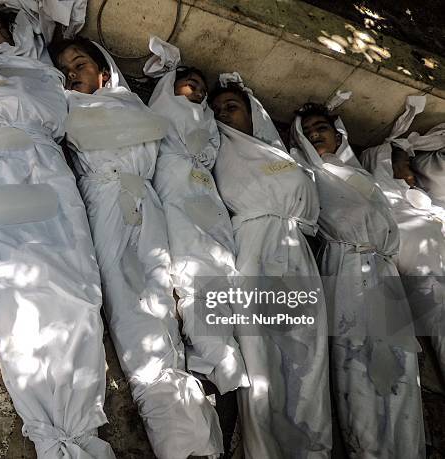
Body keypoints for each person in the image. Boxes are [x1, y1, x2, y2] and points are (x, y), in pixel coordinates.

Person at [0, 7, 114, 458]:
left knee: (75, 283)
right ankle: (48, 422)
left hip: (47, 173)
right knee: (16, 287)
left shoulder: (42, 72)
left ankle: (79, 423)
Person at [52, 36, 227, 458]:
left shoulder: (133, 106)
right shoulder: (66, 106)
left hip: (145, 201)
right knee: (131, 308)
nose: (72, 75)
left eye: (80, 65)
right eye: (65, 71)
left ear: (104, 71)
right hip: (107, 199)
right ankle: (176, 439)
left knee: (162, 300)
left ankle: (194, 419)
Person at [291, 102, 425, 458]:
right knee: (357, 365)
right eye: (309, 131)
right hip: (345, 263)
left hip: (383, 269)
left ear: (339, 135)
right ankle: (367, 449)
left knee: (399, 366)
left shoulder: (361, 175)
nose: (317, 134)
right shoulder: (307, 169)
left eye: (322, 127)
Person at [209, 72, 332, 458]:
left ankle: (313, 449)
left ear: (253, 113)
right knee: (261, 356)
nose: (225, 116)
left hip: (295, 253)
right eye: (217, 110)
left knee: (308, 354)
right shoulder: (217, 147)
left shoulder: (282, 156)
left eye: (233, 107)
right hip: (253, 248)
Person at [142, 38, 248, 402]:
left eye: (202, 88)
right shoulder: (166, 108)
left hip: (205, 193)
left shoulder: (207, 122)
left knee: (221, 263)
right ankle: (217, 354)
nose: (197, 91)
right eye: (190, 83)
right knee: (194, 273)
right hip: (177, 186)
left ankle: (222, 352)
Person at [360, 96, 445, 379]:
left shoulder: (422, 197)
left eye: (408, 161)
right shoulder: (386, 194)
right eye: (399, 161)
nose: (407, 167)